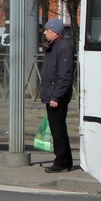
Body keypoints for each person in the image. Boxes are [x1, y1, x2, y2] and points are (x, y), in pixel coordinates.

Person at [41, 18, 75, 173]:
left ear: (54, 31)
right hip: (53, 94)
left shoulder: (63, 47)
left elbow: (64, 75)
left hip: (57, 96)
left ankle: (61, 161)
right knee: (58, 129)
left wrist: (56, 97)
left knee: (58, 130)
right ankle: (65, 160)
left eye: (47, 30)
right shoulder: (55, 46)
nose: (45, 32)